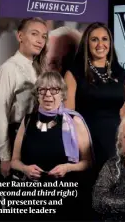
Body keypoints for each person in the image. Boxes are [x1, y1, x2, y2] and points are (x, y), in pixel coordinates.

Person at [10, 71, 92, 220]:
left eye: (54, 90)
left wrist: (67, 168)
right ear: (37, 94)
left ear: (62, 94)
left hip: (65, 198)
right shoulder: (27, 121)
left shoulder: (74, 121)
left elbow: (88, 162)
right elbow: (14, 161)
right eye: (43, 89)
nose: (48, 94)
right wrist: (25, 169)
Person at [64, 22, 125, 173]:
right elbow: (68, 117)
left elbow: (123, 114)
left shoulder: (121, 73)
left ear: (110, 43)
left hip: (116, 143)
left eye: (105, 39)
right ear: (87, 43)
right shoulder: (74, 73)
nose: (100, 44)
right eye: (94, 39)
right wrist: (81, 150)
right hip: (87, 143)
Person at [0, 17, 48, 178]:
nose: (40, 40)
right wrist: (5, 157)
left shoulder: (39, 68)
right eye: (34, 34)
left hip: (35, 136)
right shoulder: (8, 69)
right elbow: (1, 115)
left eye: (44, 36)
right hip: (16, 136)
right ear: (20, 36)